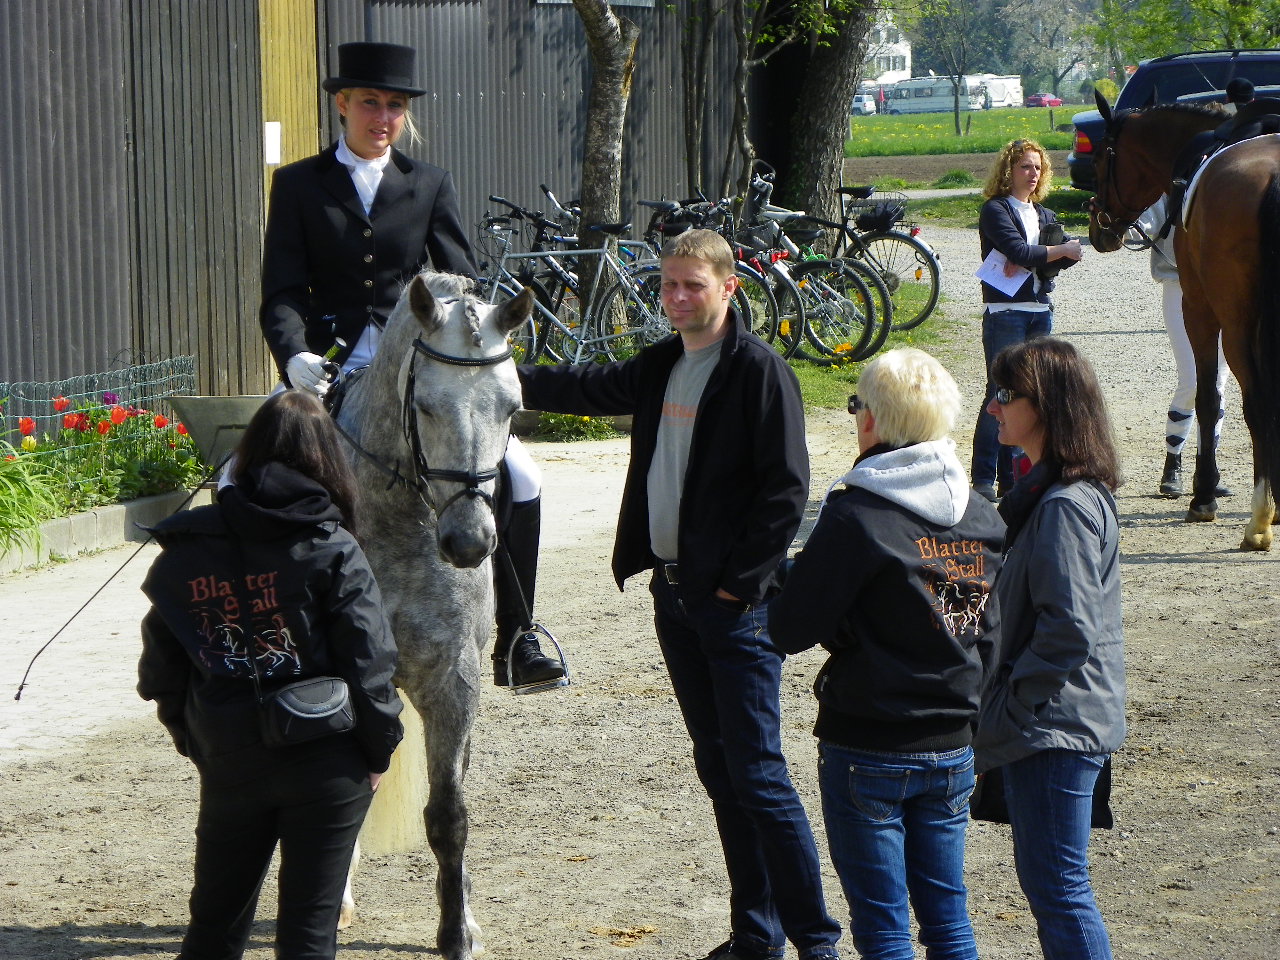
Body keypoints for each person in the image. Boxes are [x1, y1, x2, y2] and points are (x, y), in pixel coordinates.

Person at [518, 229, 843, 960]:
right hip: (675, 599)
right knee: (722, 772)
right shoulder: (663, 363)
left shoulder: (759, 372)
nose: (676, 297)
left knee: (759, 777)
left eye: (692, 285)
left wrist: (735, 588)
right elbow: (587, 387)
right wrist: (501, 371)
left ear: (729, 287)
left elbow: (786, 492)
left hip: (734, 610)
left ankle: (817, 943)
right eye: (668, 284)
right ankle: (755, 937)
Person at [258, 41, 563, 689]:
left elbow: (464, 283)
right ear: (343, 105)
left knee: (522, 474)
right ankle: (264, 632)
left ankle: (518, 636)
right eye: (371, 103)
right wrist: (294, 355)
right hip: (329, 367)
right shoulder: (298, 185)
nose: (383, 117)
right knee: (244, 473)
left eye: (395, 105)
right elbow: (282, 292)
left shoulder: (428, 183)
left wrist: (468, 340)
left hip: (420, 366)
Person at [137, 390, 405, 959]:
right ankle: (520, 626)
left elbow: (161, 670)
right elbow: (369, 661)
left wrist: (199, 740)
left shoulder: (186, 549)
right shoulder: (332, 545)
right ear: (327, 459)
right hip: (328, 755)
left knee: (213, 926)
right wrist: (378, 751)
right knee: (309, 932)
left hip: (229, 754)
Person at [770, 348, 1005, 960]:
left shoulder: (858, 513)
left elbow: (790, 627)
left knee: (883, 929)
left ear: (871, 418)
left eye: (855, 406)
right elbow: (980, 630)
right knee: (949, 920)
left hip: (869, 739)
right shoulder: (980, 515)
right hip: (952, 737)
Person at [973, 337, 1126, 960]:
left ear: (1047, 406)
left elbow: (1069, 628)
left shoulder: (1064, 506)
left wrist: (1014, 706)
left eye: (1006, 395)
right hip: (1056, 722)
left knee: (1060, 889)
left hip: (1054, 729)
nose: (993, 407)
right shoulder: (1057, 494)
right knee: (1055, 886)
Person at [971, 138, 1083, 503]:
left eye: (1037, 167)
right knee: (999, 393)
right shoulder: (995, 209)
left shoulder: (1044, 214)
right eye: (1025, 166)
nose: (1032, 173)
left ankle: (1015, 479)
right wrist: (1051, 251)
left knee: (1029, 396)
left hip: (1039, 312)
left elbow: (1063, 258)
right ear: (1009, 171)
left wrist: (1044, 254)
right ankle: (983, 478)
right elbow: (1021, 250)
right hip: (1005, 313)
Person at [1133, 196, 1229, 498]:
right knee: (1192, 380)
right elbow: (1142, 227)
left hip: (1226, 286)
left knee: (1218, 383)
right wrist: (1120, 221)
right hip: (1180, 283)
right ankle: (1173, 461)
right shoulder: (1170, 189)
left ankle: (1207, 467)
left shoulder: (1227, 184)